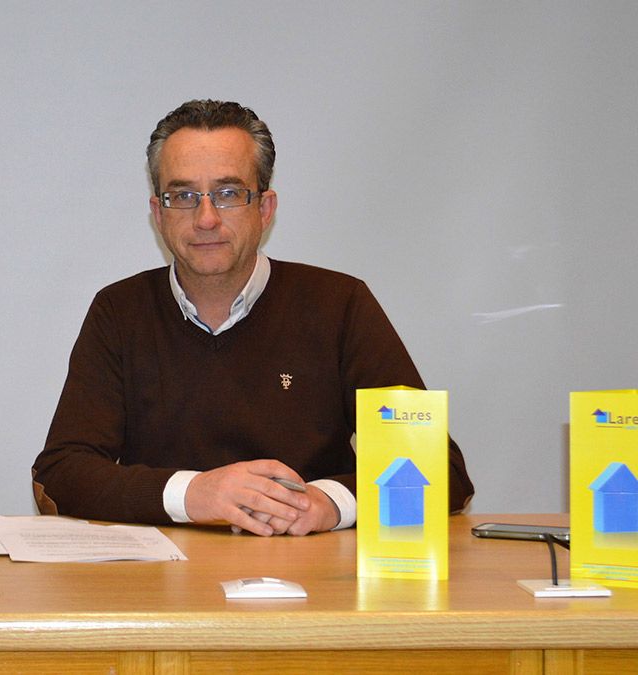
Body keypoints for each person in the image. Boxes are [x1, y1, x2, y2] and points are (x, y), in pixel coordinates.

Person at [32, 99, 473, 536]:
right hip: (166, 585)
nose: (205, 219)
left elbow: (441, 471)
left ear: (264, 208)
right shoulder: (120, 310)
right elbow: (60, 473)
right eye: (183, 196)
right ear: (158, 213)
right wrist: (195, 494)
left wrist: (330, 503)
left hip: (311, 580)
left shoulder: (339, 304)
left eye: (227, 194)